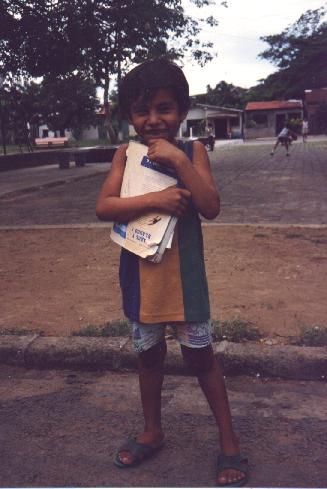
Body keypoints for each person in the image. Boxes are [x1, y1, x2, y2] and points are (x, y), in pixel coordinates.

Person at [96, 58, 248, 487]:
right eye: (142, 111)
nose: (153, 120)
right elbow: (104, 207)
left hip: (184, 280)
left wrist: (181, 166)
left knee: (201, 358)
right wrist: (157, 201)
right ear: (129, 115)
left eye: (164, 108)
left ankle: (229, 440)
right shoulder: (125, 155)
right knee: (148, 358)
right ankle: (152, 430)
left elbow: (211, 206)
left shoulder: (193, 151)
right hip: (140, 277)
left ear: (182, 111)